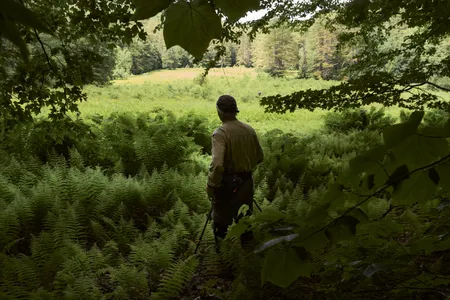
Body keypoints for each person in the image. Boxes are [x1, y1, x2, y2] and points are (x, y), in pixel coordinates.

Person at [206, 95, 264, 248]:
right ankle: (247, 257)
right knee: (245, 221)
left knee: (221, 222)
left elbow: (218, 164)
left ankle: (223, 257)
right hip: (246, 182)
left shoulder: (220, 133)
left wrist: (212, 185)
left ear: (219, 111)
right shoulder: (249, 130)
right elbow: (259, 157)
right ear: (235, 110)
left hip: (226, 184)